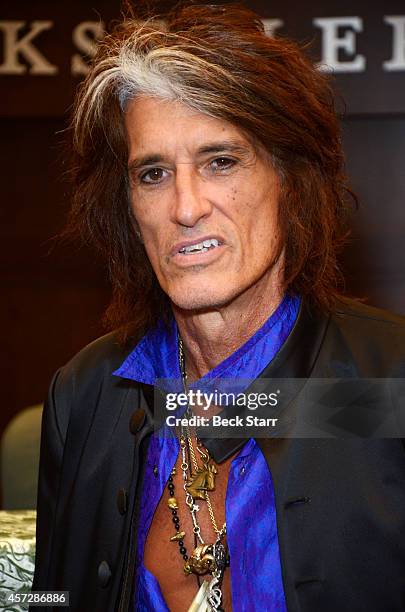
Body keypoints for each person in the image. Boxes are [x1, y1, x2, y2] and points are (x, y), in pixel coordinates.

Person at [31, 3, 405, 612]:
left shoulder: (387, 383)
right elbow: (51, 594)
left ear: (289, 178)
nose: (185, 206)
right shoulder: (88, 394)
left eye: (220, 161)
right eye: (152, 173)